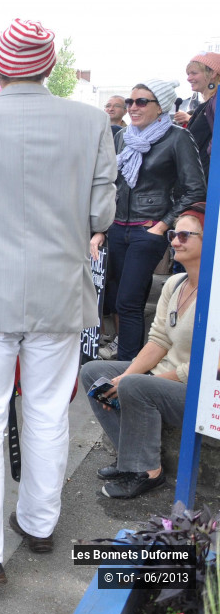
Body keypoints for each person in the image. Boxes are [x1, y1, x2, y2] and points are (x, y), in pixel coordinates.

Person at [0, 18, 117, 588]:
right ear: (50, 67)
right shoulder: (90, 122)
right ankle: (38, 523)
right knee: (48, 411)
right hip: (59, 289)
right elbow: (101, 217)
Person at [80, 205, 205, 499]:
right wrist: (122, 378)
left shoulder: (215, 294)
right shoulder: (175, 283)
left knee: (135, 384)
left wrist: (133, 381)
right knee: (93, 372)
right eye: (174, 234)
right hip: (164, 376)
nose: (174, 241)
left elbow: (209, 366)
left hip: (196, 387)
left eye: (185, 235)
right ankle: (129, 459)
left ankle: (149, 472)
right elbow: (158, 341)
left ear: (210, 240)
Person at [97, 79, 206, 363]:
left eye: (142, 102)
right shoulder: (123, 136)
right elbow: (112, 183)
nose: (133, 107)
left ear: (161, 108)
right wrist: (103, 226)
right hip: (118, 227)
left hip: (149, 230)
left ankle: (127, 370)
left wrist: (162, 225)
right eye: (131, 102)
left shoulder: (177, 137)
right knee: (120, 298)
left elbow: (195, 189)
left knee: (129, 301)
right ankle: (129, 360)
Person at [174, 52, 219, 183]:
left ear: (213, 73)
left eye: (194, 73)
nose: (189, 78)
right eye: (188, 74)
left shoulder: (215, 102)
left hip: (210, 183)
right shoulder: (206, 105)